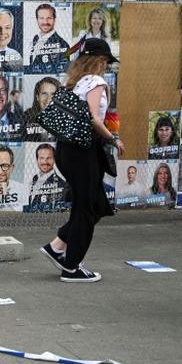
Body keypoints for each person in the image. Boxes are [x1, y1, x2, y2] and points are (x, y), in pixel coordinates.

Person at [40, 37, 125, 283]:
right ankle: (72, 266)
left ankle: (56, 247)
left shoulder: (74, 82)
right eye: (106, 62)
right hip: (83, 152)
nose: (107, 67)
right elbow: (94, 119)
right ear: (99, 60)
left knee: (96, 204)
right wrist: (114, 139)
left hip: (67, 151)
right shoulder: (96, 81)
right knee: (86, 209)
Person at [27, 3, 70, 73]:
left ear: (54, 19)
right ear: (37, 19)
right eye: (41, 18)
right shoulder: (36, 38)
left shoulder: (63, 44)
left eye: (49, 18)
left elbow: (63, 70)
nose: (45, 22)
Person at [27, 144, 66, 212]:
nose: (45, 162)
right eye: (42, 158)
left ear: (54, 159)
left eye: (49, 158)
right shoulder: (34, 179)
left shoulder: (62, 184)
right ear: (37, 160)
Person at [23, 77, 61, 142]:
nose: (48, 99)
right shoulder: (25, 119)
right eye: (44, 94)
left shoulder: (68, 120)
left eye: (53, 94)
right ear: (37, 97)